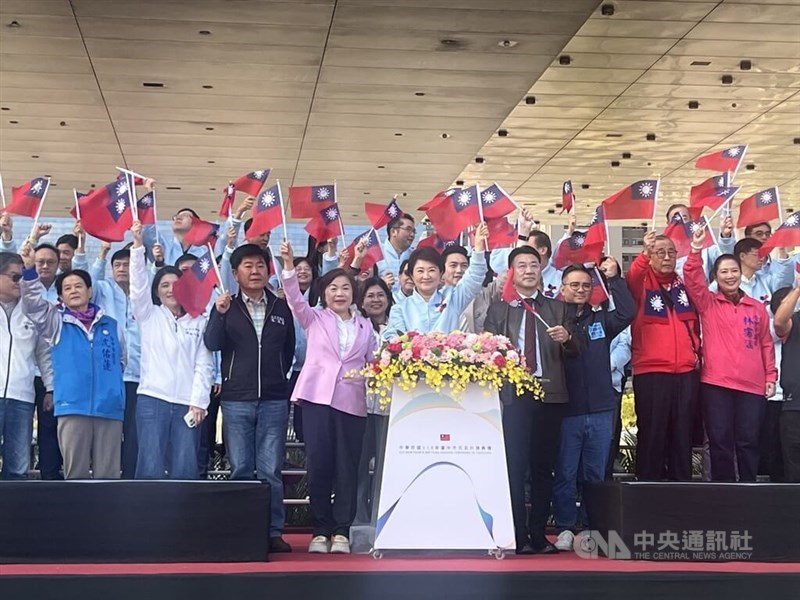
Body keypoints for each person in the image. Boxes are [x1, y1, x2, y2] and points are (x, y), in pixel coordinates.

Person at [280, 239, 376, 555]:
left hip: (353, 403)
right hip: (316, 401)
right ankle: (320, 530)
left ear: (354, 294)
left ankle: (342, 531)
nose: (339, 293)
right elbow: (294, 298)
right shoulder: (314, 318)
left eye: (345, 288)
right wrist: (290, 267)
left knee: (348, 468)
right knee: (319, 465)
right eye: (333, 288)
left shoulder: (366, 326)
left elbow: (374, 362)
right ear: (324, 293)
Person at [483, 246, 578, 555]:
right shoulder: (500, 310)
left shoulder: (558, 308)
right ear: (512, 272)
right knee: (514, 466)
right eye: (521, 265)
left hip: (549, 393)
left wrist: (569, 339)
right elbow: (487, 352)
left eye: (534, 264)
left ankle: (539, 534)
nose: (528, 270)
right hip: (514, 395)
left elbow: (577, 351)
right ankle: (517, 533)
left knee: (542, 468)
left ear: (541, 270)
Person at [204, 243, 295, 553]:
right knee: (241, 468)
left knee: (270, 469)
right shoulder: (226, 306)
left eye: (260, 265)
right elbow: (212, 342)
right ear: (234, 273)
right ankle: (241, 530)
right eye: (247, 266)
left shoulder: (281, 306)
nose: (255, 271)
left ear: (268, 269)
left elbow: (288, 348)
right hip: (236, 398)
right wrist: (218, 314)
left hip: (273, 399)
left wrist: (279, 379)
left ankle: (272, 532)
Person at [19, 242, 126, 480]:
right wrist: (28, 270)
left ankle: (108, 517)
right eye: (67, 288)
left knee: (108, 476)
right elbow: (33, 304)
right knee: (75, 474)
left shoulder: (111, 325)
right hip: (72, 406)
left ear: (90, 290)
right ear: (61, 296)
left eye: (79, 286)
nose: (74, 291)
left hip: (109, 408)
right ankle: (79, 518)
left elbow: (121, 361)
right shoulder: (55, 322)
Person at [552, 263, 635, 551]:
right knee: (564, 471)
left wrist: (614, 278)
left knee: (595, 474)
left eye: (586, 285)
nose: (580, 290)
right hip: (567, 409)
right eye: (574, 285)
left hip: (600, 408)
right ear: (562, 288)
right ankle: (564, 526)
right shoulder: (553, 319)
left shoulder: (600, 319)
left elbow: (627, 313)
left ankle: (590, 527)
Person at [684, 228, 777, 482]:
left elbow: (766, 344)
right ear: (716, 276)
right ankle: (724, 493)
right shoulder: (708, 303)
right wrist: (695, 250)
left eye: (734, 270)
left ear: (741, 272)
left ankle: (748, 490)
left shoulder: (756, 307)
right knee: (720, 440)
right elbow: (692, 278)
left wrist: (771, 375)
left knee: (748, 441)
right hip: (716, 383)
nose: (730, 275)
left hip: (752, 385)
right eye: (724, 271)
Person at [128, 221, 213, 480]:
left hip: (187, 404)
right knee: (150, 466)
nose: (170, 289)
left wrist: (199, 402)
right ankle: (148, 519)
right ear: (157, 291)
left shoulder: (199, 321)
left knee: (185, 468)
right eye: (163, 285)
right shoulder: (148, 314)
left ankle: (184, 520)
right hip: (153, 400)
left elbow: (204, 364)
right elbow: (138, 287)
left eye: (175, 284)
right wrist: (137, 247)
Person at [627, 232, 701, 481]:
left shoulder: (683, 285)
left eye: (671, 252)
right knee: (653, 434)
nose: (667, 257)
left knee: (682, 436)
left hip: (686, 372)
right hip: (652, 371)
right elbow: (633, 274)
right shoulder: (642, 284)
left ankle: (682, 495)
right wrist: (644, 253)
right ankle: (648, 491)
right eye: (660, 252)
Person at [74, 242, 143, 478]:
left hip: (137, 375)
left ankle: (130, 477)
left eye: (126, 264)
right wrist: (101, 253)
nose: (122, 269)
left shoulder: (143, 294)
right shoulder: (103, 289)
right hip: (108, 375)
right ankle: (98, 474)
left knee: (133, 431)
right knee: (104, 429)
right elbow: (87, 280)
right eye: (118, 265)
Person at [0, 252, 54, 479]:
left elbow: (43, 352)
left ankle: (12, 514)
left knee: (18, 467)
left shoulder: (31, 311)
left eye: (23, 277)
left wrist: (50, 387)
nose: (19, 283)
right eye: (14, 277)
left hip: (22, 398)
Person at [383, 223, 488, 339]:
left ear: (441, 274)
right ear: (411, 276)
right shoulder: (400, 309)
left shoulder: (452, 299)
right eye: (420, 271)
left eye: (432, 270)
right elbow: (395, 340)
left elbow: (474, 277)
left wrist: (478, 247)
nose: (426, 276)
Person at [353, 277, 393, 530]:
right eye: (370, 296)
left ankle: (382, 517)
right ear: (362, 301)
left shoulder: (398, 327)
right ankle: (358, 517)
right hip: (359, 404)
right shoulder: (356, 326)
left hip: (390, 406)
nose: (375, 300)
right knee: (358, 464)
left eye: (380, 295)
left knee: (385, 466)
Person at [31, 242, 63, 479]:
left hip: (52, 373)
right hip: (21, 371)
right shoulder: (23, 288)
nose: (44, 266)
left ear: (58, 264)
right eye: (40, 261)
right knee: (18, 430)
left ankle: (49, 478)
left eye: (50, 262)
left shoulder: (63, 290)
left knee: (49, 428)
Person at [773, 280, 800, 482]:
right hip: (794, 407)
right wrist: (798, 289)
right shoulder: (795, 321)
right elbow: (779, 322)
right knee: (794, 468)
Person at [664, 203, 734, 278]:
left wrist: (725, 236)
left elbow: (724, 258)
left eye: (684, 218)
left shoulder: (705, 243)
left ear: (691, 220)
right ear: (668, 224)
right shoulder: (662, 247)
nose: (680, 221)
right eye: (676, 219)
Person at [377, 213, 415, 291]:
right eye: (408, 229)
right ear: (393, 231)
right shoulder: (377, 252)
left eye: (414, 231)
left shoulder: (414, 256)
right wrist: (381, 285)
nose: (412, 234)